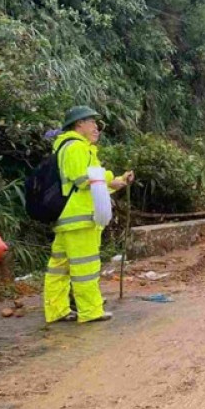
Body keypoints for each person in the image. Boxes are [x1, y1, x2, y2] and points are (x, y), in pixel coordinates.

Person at [45, 106, 134, 323]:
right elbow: (83, 179)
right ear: (78, 125)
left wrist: (118, 181)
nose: (97, 127)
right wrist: (112, 177)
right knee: (86, 267)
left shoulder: (68, 147)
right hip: (80, 218)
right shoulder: (76, 147)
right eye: (91, 122)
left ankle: (57, 310)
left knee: (59, 268)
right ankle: (90, 310)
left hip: (68, 218)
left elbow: (94, 183)